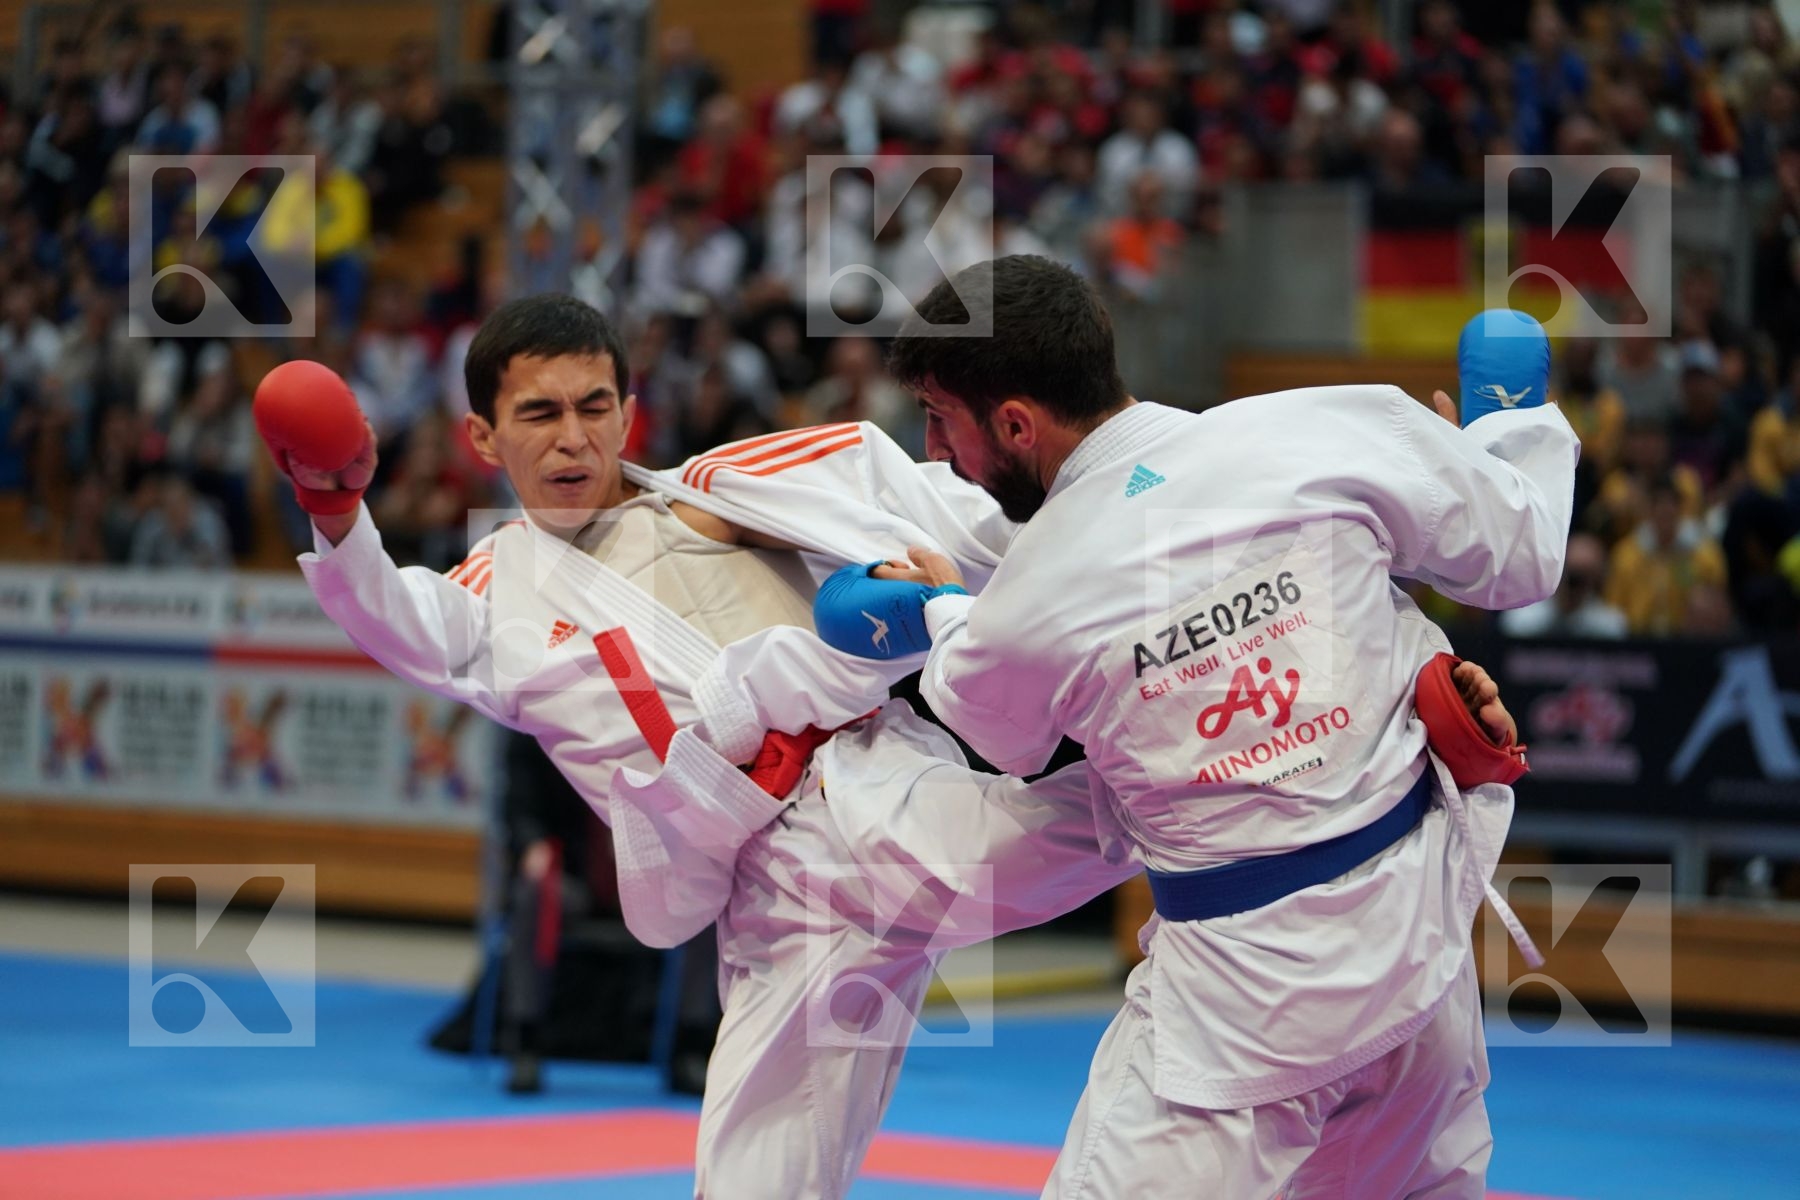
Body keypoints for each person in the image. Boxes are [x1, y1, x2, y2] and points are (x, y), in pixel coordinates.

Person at [265, 294, 1136, 1200]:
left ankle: (1223, 800)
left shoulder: (733, 487)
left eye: (593, 406)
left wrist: (1049, 536)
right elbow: (390, 614)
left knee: (1140, 816)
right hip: (771, 903)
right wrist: (337, 508)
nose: (573, 437)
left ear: (628, 413)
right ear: (484, 438)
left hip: (875, 789)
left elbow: (962, 510)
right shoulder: (493, 593)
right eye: (540, 413)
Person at [814, 256, 1578, 1197]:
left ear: (1016, 423)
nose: (934, 450)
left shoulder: (1019, 607)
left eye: (941, 417)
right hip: (1420, 969)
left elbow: (1005, 734)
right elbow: (1527, 555)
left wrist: (932, 607)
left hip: (1241, 1017)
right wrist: (1502, 429)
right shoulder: (1328, 424)